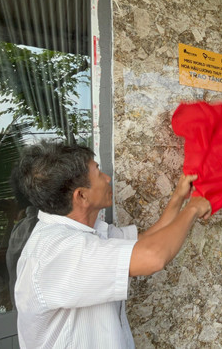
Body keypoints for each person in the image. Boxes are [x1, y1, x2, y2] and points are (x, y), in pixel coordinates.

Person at [12, 141, 211, 348]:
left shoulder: (85, 230)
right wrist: (192, 210)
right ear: (81, 195)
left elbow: (143, 243)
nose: (107, 178)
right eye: (98, 173)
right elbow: (153, 257)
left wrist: (179, 198)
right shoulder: (59, 252)